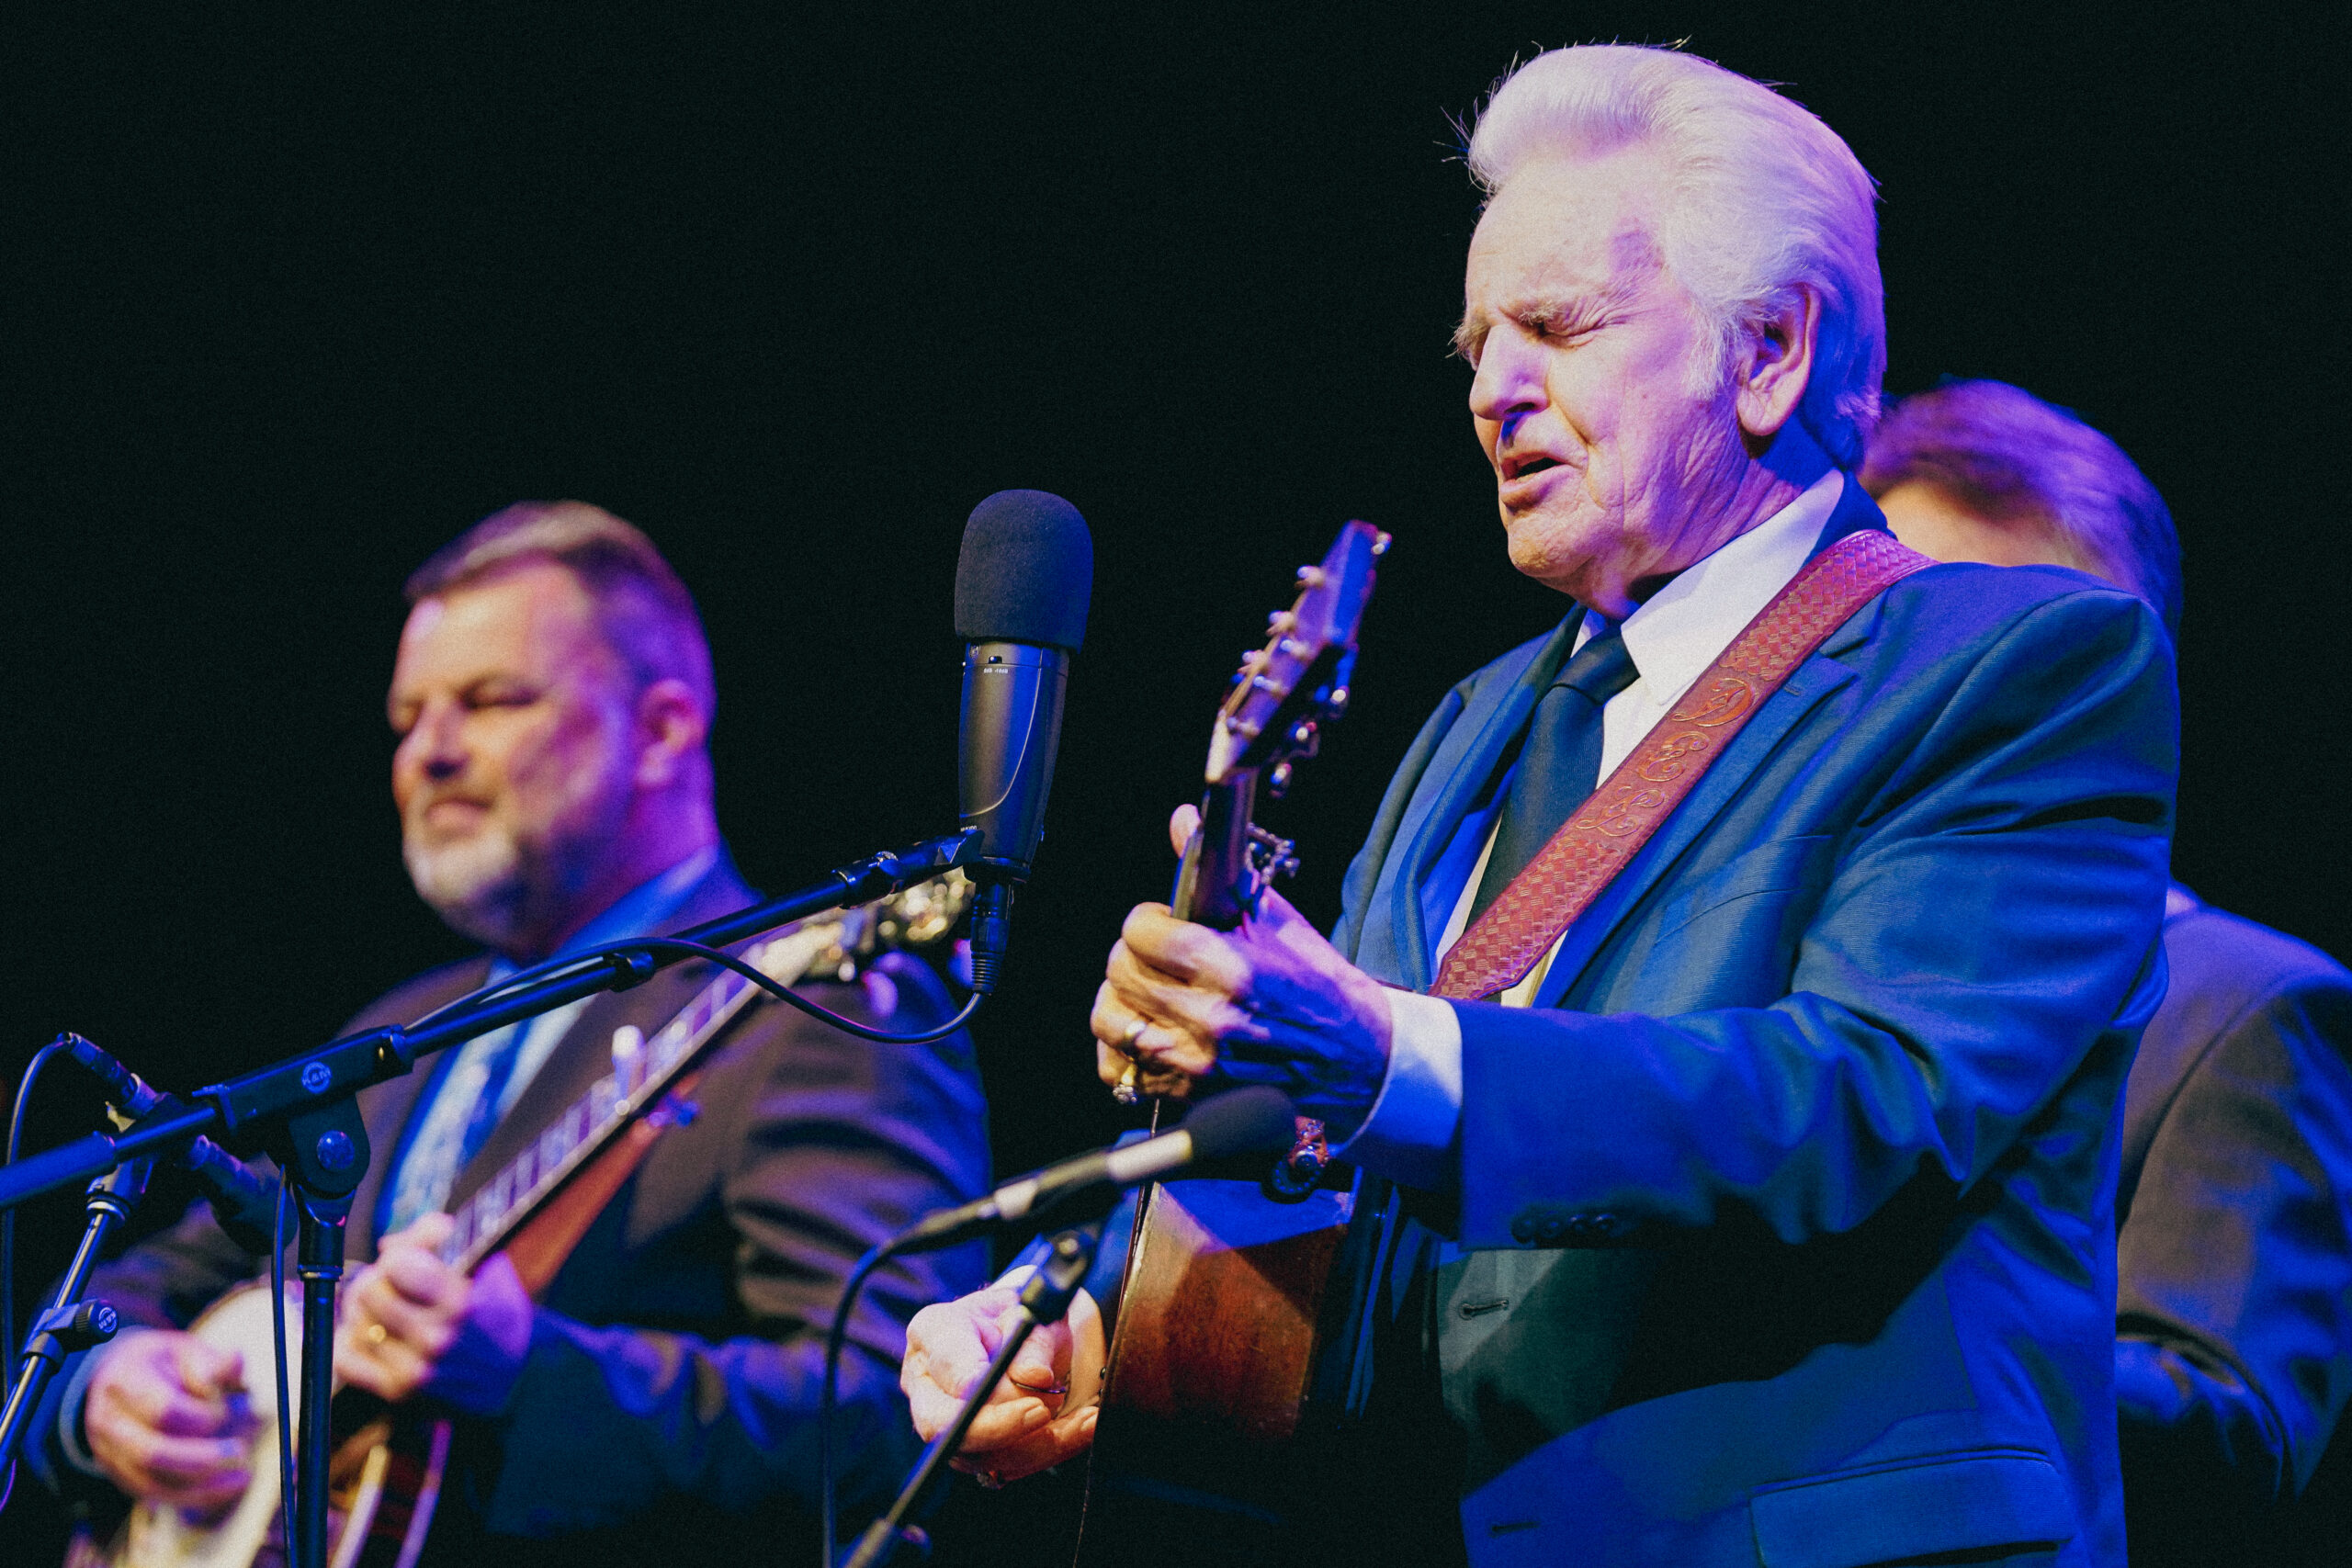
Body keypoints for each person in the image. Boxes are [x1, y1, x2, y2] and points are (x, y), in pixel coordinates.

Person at [904, 44, 2177, 1568]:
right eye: (1479, 345)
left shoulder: (2020, 664)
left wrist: (1382, 1052)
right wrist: (1083, 1308)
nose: (1495, 389)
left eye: (1558, 328)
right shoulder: (1479, 720)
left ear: (1770, 347)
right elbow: (1343, 1147)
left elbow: (1865, 1099)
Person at [27, 502, 992, 1565]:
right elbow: (140, 1284)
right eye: (407, 718)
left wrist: (534, 1373)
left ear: (663, 731)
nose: (429, 754)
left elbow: (900, 1405)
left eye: (491, 701)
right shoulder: (401, 1032)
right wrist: (97, 1394)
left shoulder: (818, 1006)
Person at [1862, 378, 2352, 1567]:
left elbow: (2232, 1436)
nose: (1957, 697)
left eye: (2026, 649)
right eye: (1905, 637)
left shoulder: (2244, 1003)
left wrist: (1863, 1331)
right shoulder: (1787, 974)